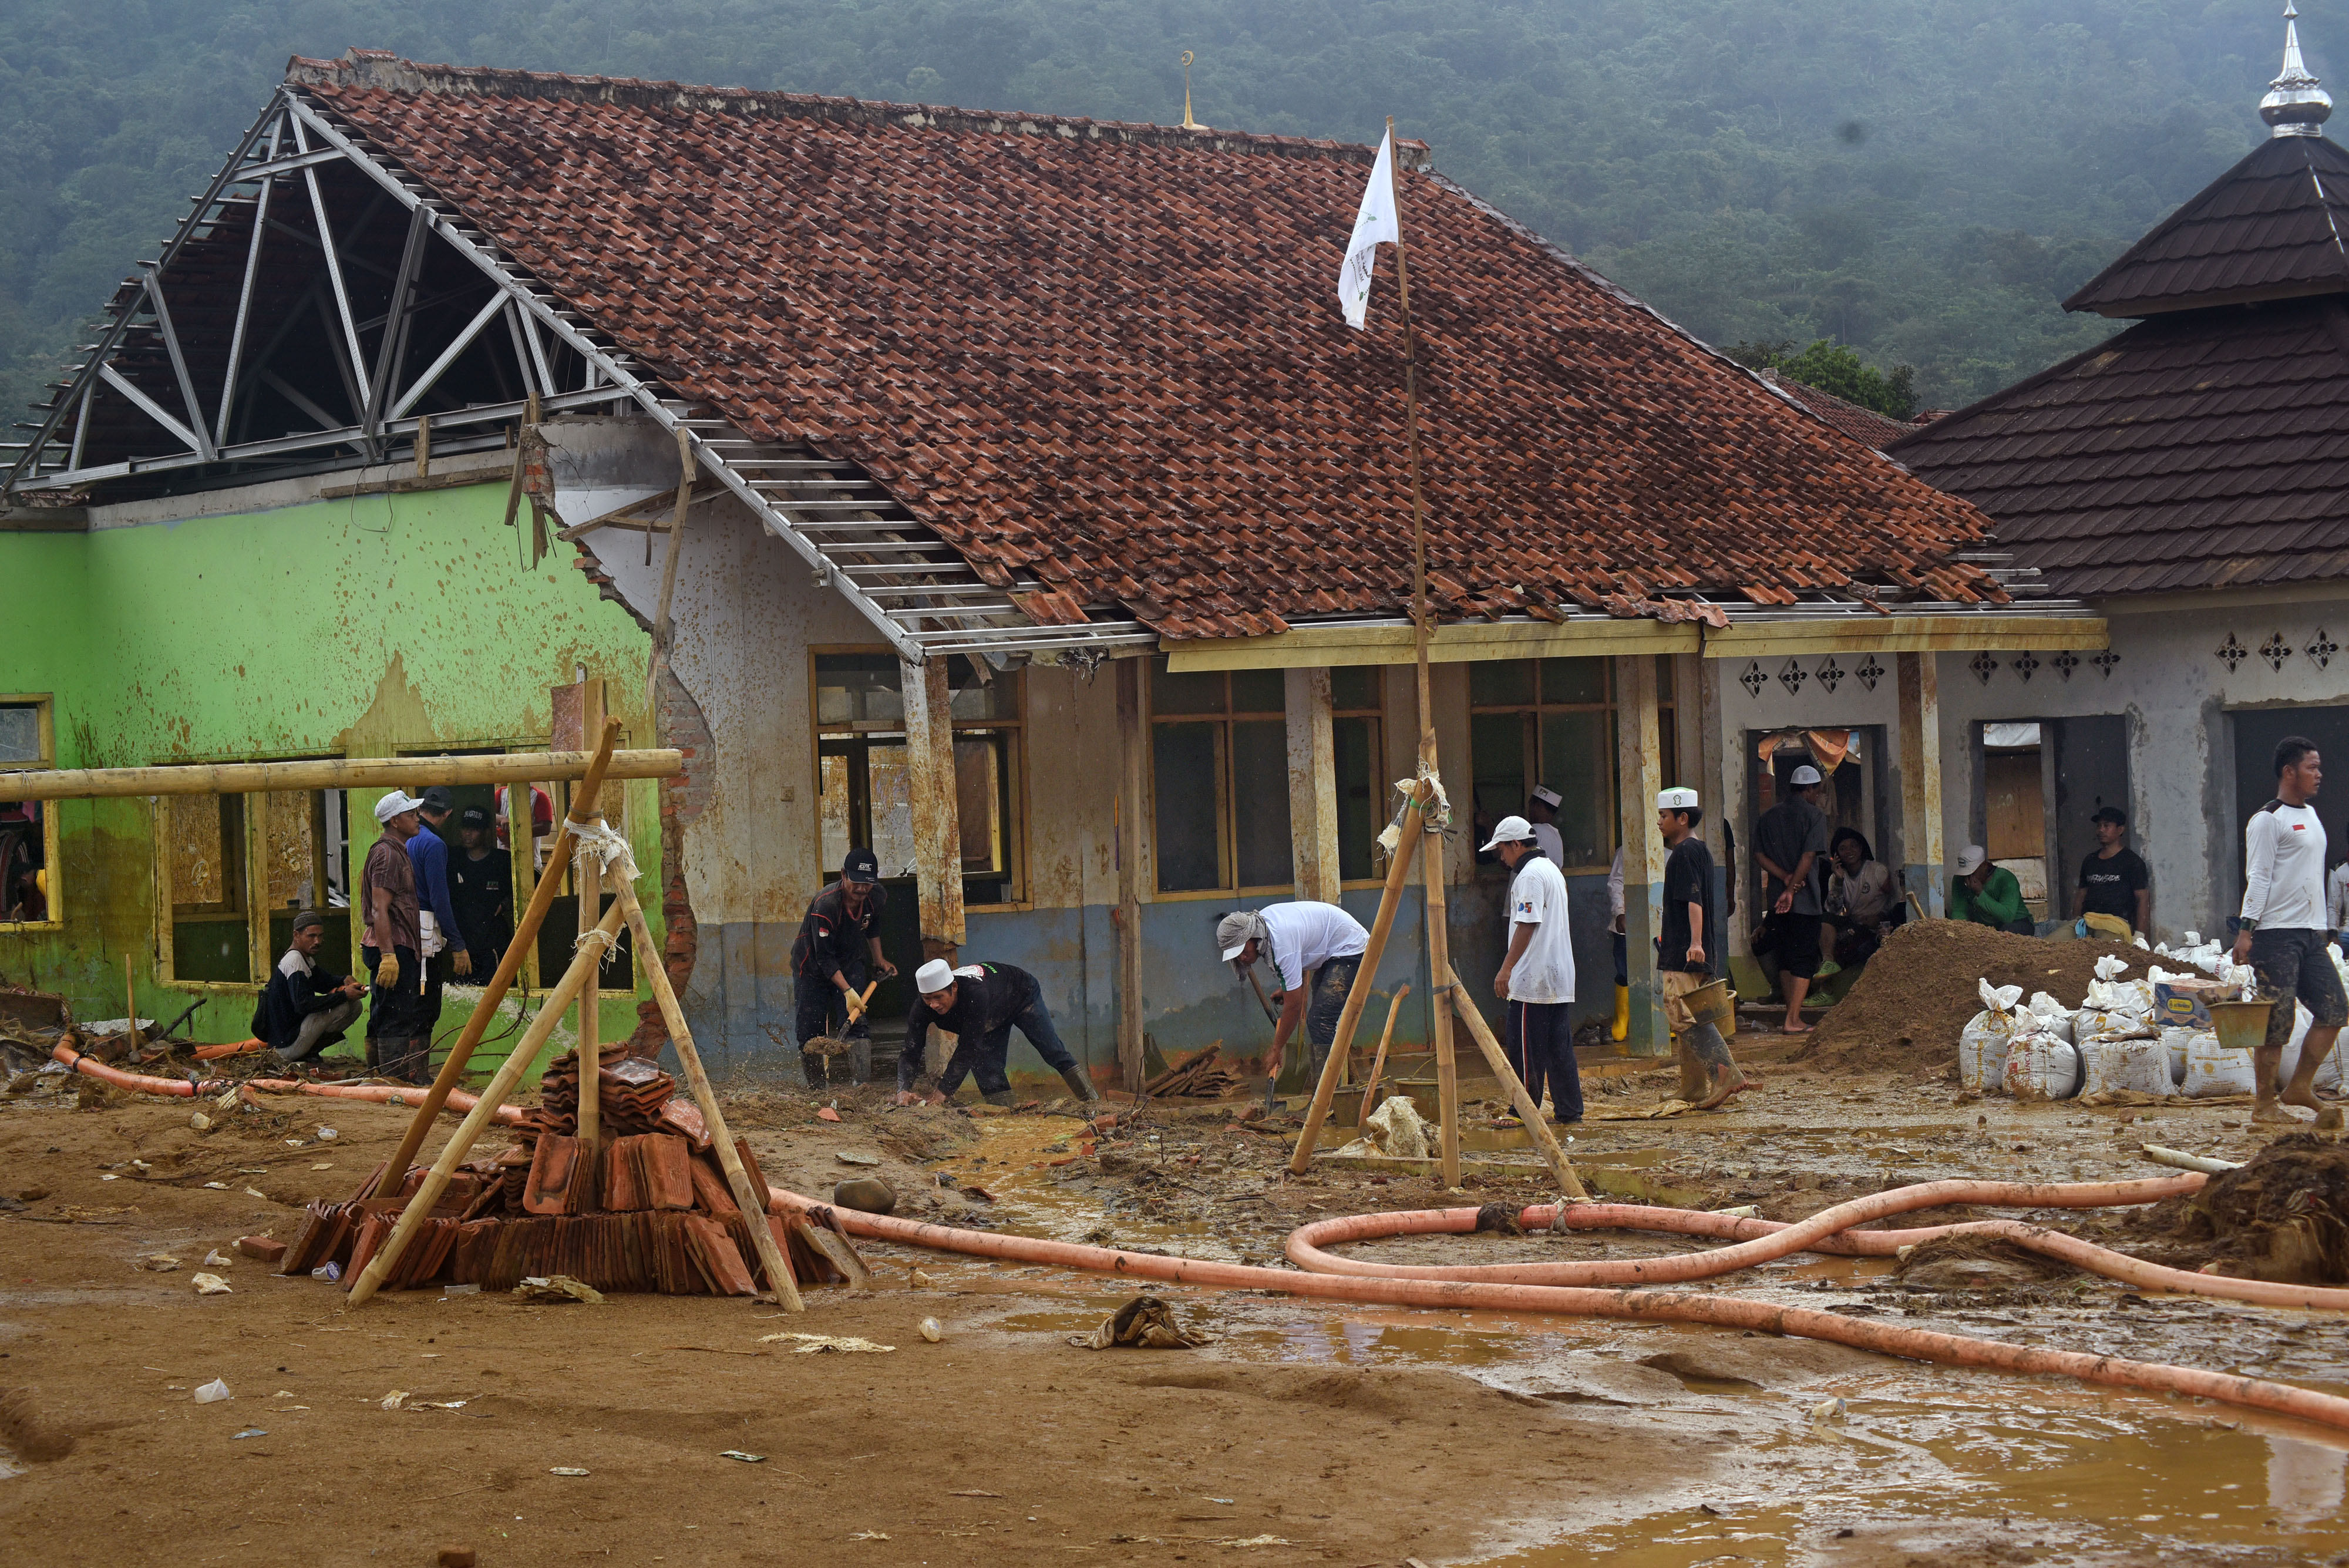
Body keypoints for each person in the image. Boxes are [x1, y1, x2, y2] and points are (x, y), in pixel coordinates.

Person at [2233, 735, 2347, 1123]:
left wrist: (2325, 927)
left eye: (2319, 767)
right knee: (2276, 1022)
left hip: (2311, 934)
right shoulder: (2268, 819)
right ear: (2289, 772)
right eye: (2311, 767)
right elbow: (2259, 877)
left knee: (2334, 1009)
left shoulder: (2312, 816)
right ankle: (2264, 1105)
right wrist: (2246, 930)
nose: (2319, 774)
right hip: (2275, 934)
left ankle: (2299, 1087)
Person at [1481, 814, 1580, 1125]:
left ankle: (1521, 1110)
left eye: (1502, 850)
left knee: (1525, 1048)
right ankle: (1569, 1109)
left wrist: (1506, 969)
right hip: (1558, 975)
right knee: (1559, 1048)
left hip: (1533, 977)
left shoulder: (1529, 876)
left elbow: (1527, 924)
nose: (1502, 858)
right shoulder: (1551, 870)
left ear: (1516, 844)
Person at [896, 958, 1098, 1107]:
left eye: (939, 997)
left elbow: (967, 1048)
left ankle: (1093, 1103)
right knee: (987, 1070)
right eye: (928, 999)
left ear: (954, 988)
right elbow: (911, 1049)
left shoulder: (975, 994)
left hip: (1021, 995)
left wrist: (942, 1093)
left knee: (1052, 1051)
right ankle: (1006, 1117)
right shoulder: (922, 1008)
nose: (934, 1005)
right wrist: (903, 1089)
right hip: (990, 1011)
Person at [1655, 787, 1747, 1109]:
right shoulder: (1700, 850)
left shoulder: (1684, 853)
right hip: (1694, 948)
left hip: (1686, 950)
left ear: (1682, 818)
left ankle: (1725, 1075)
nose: (1659, 822)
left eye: (1664, 816)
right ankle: (1694, 1086)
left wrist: (1694, 943)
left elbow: (1693, 900)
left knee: (1683, 1014)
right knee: (1689, 1016)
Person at [1214, 900, 1369, 1089]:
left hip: (1350, 946)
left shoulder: (1280, 944)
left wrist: (1277, 1048)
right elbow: (1297, 957)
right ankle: (1330, 1087)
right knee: (1321, 1020)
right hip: (1331, 947)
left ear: (1253, 937)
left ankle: (1329, 1094)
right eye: (1237, 955)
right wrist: (1288, 989)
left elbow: (1294, 1007)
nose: (1242, 957)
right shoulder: (1265, 927)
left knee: (1320, 1021)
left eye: (1243, 950)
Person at [789, 846, 898, 1087]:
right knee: (810, 1032)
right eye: (856, 882)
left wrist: (879, 959)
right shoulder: (826, 904)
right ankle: (817, 1090)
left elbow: (872, 925)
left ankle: (862, 1087)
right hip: (812, 968)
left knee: (857, 1023)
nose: (861, 889)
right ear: (843, 875)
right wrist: (848, 992)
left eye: (867, 884)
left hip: (850, 961)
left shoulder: (877, 896)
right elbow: (824, 958)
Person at [1752, 763, 1830, 1034]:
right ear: (1808, 789)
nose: (1817, 797)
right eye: (1816, 792)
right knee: (1804, 958)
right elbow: (1809, 856)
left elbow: (1759, 856)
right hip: (1804, 902)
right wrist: (1794, 887)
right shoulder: (1815, 816)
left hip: (1777, 901)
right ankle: (1793, 1020)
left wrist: (1784, 879)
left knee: (1785, 958)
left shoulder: (1769, 816)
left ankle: (1790, 1014)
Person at [362, 790, 429, 1083]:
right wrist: (389, 956)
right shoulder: (388, 855)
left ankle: (378, 1077)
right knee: (395, 1014)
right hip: (393, 946)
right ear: (395, 821)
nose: (417, 818)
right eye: (411, 814)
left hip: (394, 945)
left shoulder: (395, 851)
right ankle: (391, 1081)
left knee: (385, 1011)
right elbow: (379, 908)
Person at [252, 910, 364, 1069]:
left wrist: (344, 980)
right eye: (311, 936)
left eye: (320, 936)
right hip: (286, 1046)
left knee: (354, 1005)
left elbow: (323, 982)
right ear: (296, 935)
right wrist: (344, 995)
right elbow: (303, 1005)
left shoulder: (304, 958)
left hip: (289, 1041)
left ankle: (308, 1053)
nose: (317, 941)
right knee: (346, 1007)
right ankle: (305, 1053)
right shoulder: (295, 961)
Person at [406, 786, 470, 1051]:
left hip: (402, 929)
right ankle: (415, 1070)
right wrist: (458, 945)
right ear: (447, 814)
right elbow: (440, 901)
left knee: (404, 1004)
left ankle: (389, 1069)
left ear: (420, 808)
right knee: (426, 1005)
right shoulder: (433, 844)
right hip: (424, 932)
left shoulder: (402, 840)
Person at [448, 805, 513, 974]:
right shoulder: (454, 858)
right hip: (463, 947)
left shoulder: (502, 861)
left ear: (486, 832)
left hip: (493, 945)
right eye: (465, 828)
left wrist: (507, 903)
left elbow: (531, 884)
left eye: (475, 829)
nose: (468, 834)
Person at [1822, 828, 1897, 972]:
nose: (1849, 851)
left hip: (1877, 927)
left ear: (1861, 848)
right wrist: (1839, 880)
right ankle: (1828, 962)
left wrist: (1880, 917)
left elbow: (1893, 900)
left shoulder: (1877, 871)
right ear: (1837, 855)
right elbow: (1833, 911)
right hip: (1854, 924)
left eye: (1853, 846)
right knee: (1826, 920)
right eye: (1843, 848)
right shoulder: (1836, 878)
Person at [2074, 805, 2151, 939]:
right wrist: (2075, 922)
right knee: (2051, 945)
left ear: (2120, 830)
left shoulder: (2132, 862)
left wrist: (2140, 935)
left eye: (2106, 826)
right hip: (2086, 923)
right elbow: (2081, 895)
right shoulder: (2090, 860)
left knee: (2104, 948)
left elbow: (2143, 899)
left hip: (2115, 926)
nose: (2101, 830)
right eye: (2099, 826)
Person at [1950, 845, 2033, 934]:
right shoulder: (1960, 879)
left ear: (1984, 866)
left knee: (2007, 932)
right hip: (1988, 926)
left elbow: (2007, 916)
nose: (1968, 878)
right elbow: (1959, 911)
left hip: (2017, 921)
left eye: (1972, 873)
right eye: (1965, 874)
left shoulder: (2006, 879)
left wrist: (1980, 893)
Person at [1607, 846, 1629, 1042]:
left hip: (1662, 923)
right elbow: (1616, 882)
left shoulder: (1673, 852)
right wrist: (1620, 912)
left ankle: (1663, 1019)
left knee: (1661, 973)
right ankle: (1622, 1019)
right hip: (1627, 921)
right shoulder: (1626, 850)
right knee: (1624, 970)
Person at [1525, 786, 1567, 867]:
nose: (1529, 810)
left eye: (1531, 805)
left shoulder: (1534, 831)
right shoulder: (1557, 836)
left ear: (1538, 806)